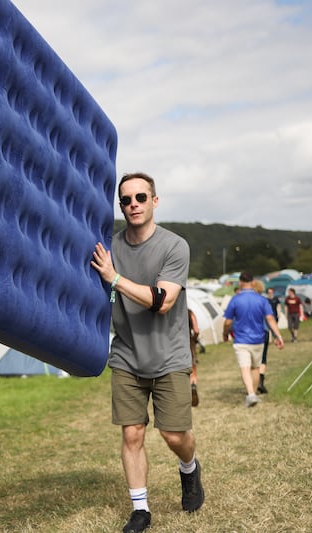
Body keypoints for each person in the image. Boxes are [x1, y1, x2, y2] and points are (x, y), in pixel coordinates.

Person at [91, 172, 204, 533]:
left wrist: (115, 279)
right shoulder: (109, 249)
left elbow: (162, 301)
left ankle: (189, 468)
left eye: (141, 197)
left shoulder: (175, 246)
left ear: (155, 201)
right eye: (125, 200)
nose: (133, 205)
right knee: (132, 434)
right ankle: (140, 509)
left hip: (169, 355)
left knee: (174, 436)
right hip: (126, 355)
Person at [222, 272, 285, 407]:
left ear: (240, 283)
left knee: (245, 368)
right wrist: (278, 335)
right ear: (253, 282)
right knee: (255, 368)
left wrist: (225, 334)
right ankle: (253, 394)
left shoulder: (235, 299)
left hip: (241, 340)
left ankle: (250, 394)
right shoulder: (262, 300)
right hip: (258, 339)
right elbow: (270, 319)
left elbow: (227, 322)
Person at [188, 309, 200, 407]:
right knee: (192, 368)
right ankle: (193, 384)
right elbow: (196, 330)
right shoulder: (189, 312)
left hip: (173, 345)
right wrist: (195, 338)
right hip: (188, 342)